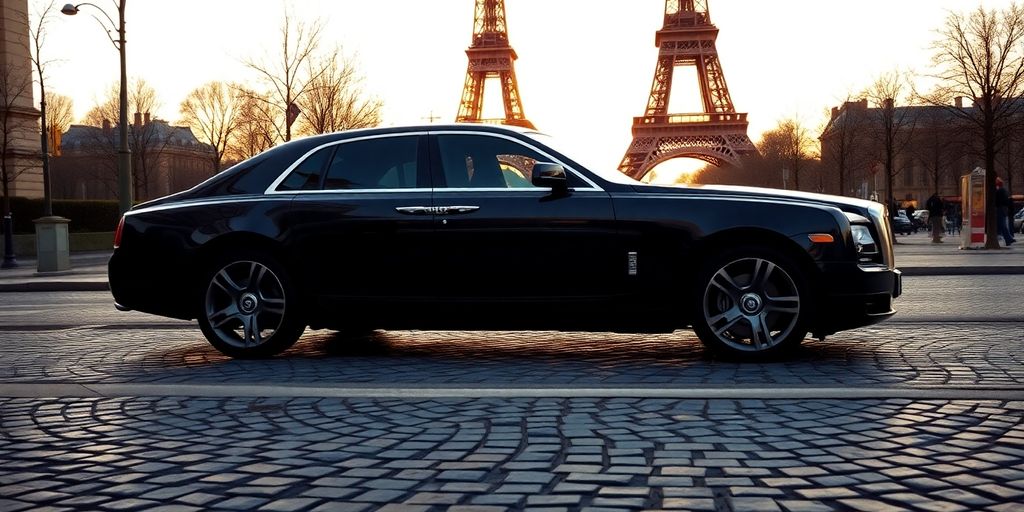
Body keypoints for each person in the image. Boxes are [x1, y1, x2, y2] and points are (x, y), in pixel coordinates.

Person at [996, 177, 1016, 246]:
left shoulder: (999, 190)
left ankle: (1009, 239)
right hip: (1004, 209)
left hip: (1000, 209)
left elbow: (997, 200)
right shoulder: (1003, 190)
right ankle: (1009, 239)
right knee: (1003, 224)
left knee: (1002, 225)